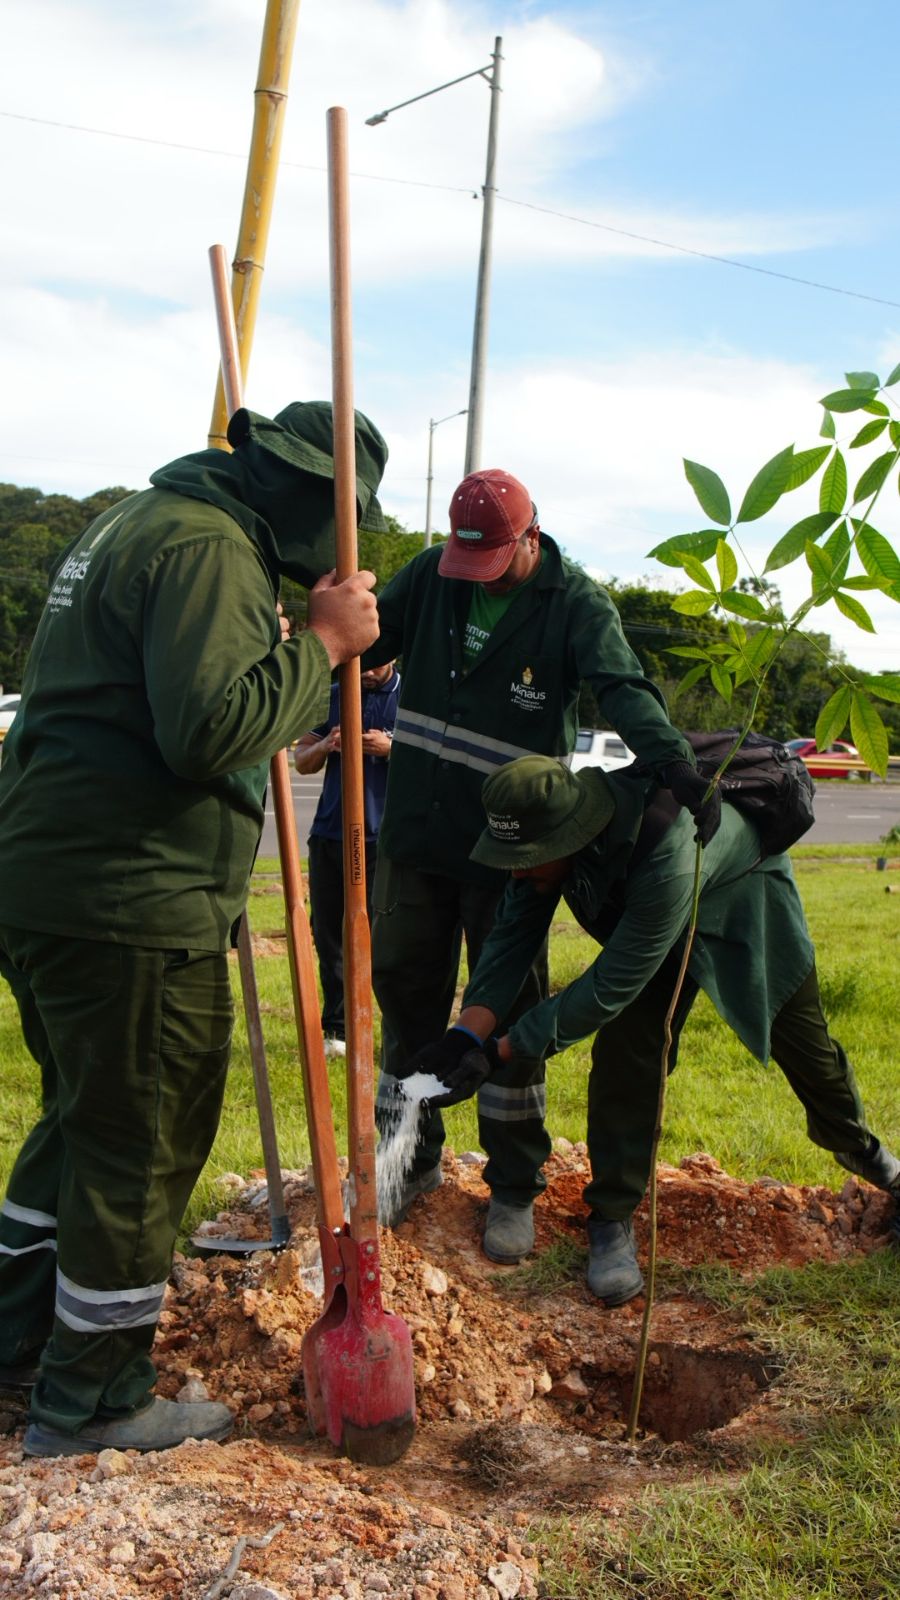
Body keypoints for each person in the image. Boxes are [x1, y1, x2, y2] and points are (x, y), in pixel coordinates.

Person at [0, 401, 387, 1457]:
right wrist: (322, 640)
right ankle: (92, 1400)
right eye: (347, 515)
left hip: (48, 882)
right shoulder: (212, 550)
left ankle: (17, 1339)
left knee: (81, 1123)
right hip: (129, 898)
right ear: (311, 495)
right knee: (141, 1144)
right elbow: (207, 729)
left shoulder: (142, 520)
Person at [364, 467, 717, 1262]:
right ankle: (409, 1161)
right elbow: (366, 639)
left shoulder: (575, 605)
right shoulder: (433, 575)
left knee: (502, 1009)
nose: (474, 576)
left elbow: (620, 690)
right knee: (407, 1004)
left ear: (531, 536)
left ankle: (513, 1184)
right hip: (416, 840)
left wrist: (672, 761)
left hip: (505, 847)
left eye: (491, 560)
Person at [405, 755, 900, 1304]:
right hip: (650, 929)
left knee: (812, 1061)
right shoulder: (544, 850)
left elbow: (608, 986)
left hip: (743, 912)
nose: (518, 872)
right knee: (628, 1055)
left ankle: (876, 1161)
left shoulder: (666, 845)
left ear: (570, 835)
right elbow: (508, 943)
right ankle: (611, 1219)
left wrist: (503, 1050)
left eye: (528, 860)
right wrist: (465, 1037)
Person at [293, 659, 400, 1056]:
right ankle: (337, 1030)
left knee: (382, 938)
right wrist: (325, 744)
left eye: (375, 662)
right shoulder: (332, 697)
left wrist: (392, 749)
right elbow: (301, 759)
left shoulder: (409, 698)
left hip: (381, 840)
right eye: (360, 663)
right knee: (328, 934)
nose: (366, 670)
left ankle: (390, 1028)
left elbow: (431, 762)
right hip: (329, 834)